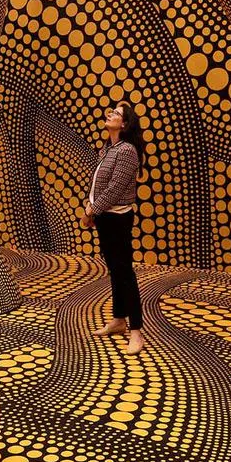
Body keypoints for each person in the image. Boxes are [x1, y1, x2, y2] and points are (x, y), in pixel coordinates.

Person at [81, 101, 145, 355]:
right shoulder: (108, 148)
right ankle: (119, 320)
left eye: (116, 114)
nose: (110, 114)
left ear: (125, 124)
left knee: (125, 273)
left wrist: (90, 212)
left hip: (118, 218)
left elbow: (116, 187)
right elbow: (98, 182)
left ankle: (137, 332)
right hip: (105, 217)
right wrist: (92, 204)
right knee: (115, 271)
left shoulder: (127, 150)